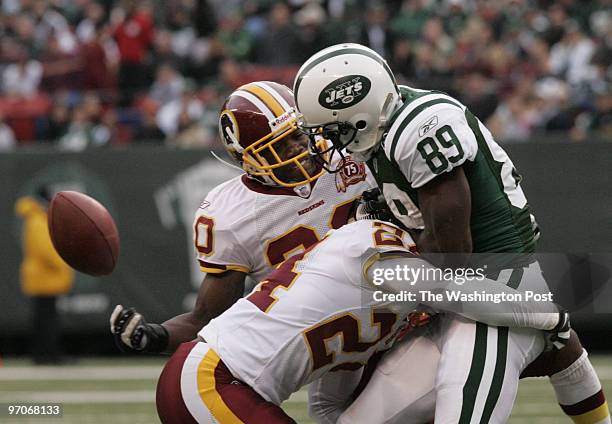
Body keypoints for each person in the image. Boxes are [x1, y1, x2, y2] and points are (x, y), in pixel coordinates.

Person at [293, 43, 609, 424]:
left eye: (332, 128)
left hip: (494, 289)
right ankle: (550, 324)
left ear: (360, 117)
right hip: (458, 299)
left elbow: (453, 254)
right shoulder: (384, 131)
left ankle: (544, 319)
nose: (326, 141)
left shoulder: (421, 127)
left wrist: (389, 259)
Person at [155, 218, 570, 423]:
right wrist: (548, 313)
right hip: (212, 379)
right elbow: (451, 292)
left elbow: (328, 406)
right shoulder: (374, 247)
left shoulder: (383, 308)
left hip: (210, 381)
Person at [110, 81, 375, 354]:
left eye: (297, 134)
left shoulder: (349, 151)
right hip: (329, 339)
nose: (297, 148)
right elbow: (206, 317)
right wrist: (155, 335)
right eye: (279, 145)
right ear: (249, 158)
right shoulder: (232, 215)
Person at [15, 185, 74, 364]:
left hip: (42, 277)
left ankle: (44, 354)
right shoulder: (37, 221)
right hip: (45, 277)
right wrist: (64, 263)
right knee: (48, 321)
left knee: (44, 319)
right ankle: (48, 355)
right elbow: (46, 251)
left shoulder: (36, 219)